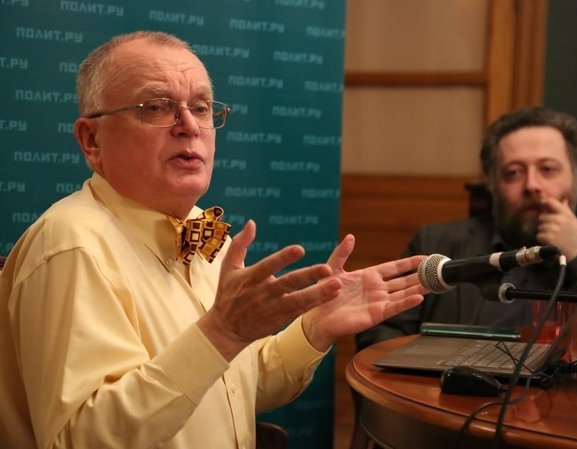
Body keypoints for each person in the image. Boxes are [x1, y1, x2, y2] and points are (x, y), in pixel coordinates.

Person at [0, 31, 429, 449]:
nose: (189, 126)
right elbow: (82, 438)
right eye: (156, 107)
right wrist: (220, 332)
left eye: (201, 108)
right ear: (92, 140)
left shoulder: (206, 232)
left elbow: (232, 387)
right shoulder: (71, 245)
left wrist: (313, 329)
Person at [357, 106, 577, 350]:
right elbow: (381, 331)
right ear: (493, 185)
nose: (532, 185)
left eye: (547, 169)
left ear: (576, 178)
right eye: (513, 173)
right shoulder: (435, 243)